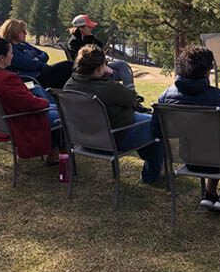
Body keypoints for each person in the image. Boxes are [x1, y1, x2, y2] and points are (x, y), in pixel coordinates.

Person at [150, 45, 220, 214]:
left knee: (212, 145)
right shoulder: (218, 98)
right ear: (207, 72)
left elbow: (155, 132)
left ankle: (210, 193)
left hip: (190, 160)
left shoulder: (165, 96)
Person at [64, 45, 162, 183]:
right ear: (99, 67)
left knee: (147, 122)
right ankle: (151, 175)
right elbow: (131, 98)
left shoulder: (69, 84)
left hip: (84, 139)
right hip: (115, 139)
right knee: (156, 124)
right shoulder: (108, 87)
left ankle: (153, 167)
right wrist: (114, 78)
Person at [0, 36, 61, 162]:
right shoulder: (6, 78)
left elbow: (19, 99)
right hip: (18, 121)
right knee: (61, 114)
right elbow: (31, 104)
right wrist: (45, 101)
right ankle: (58, 152)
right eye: (11, 53)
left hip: (1, 120)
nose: (13, 56)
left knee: (51, 104)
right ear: (1, 58)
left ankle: (56, 150)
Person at [0, 19, 73, 89]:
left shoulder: (23, 45)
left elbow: (45, 54)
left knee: (66, 68)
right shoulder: (10, 50)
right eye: (23, 31)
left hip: (39, 74)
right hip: (31, 81)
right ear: (14, 33)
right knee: (67, 66)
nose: (26, 33)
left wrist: (38, 59)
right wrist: (38, 62)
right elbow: (30, 65)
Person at [67, 14, 135, 88]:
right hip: (92, 69)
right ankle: (128, 92)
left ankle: (131, 91)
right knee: (121, 74)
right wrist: (104, 67)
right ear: (81, 28)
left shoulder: (88, 39)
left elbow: (100, 48)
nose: (91, 28)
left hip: (100, 65)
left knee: (122, 65)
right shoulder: (73, 43)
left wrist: (90, 38)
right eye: (89, 27)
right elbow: (83, 61)